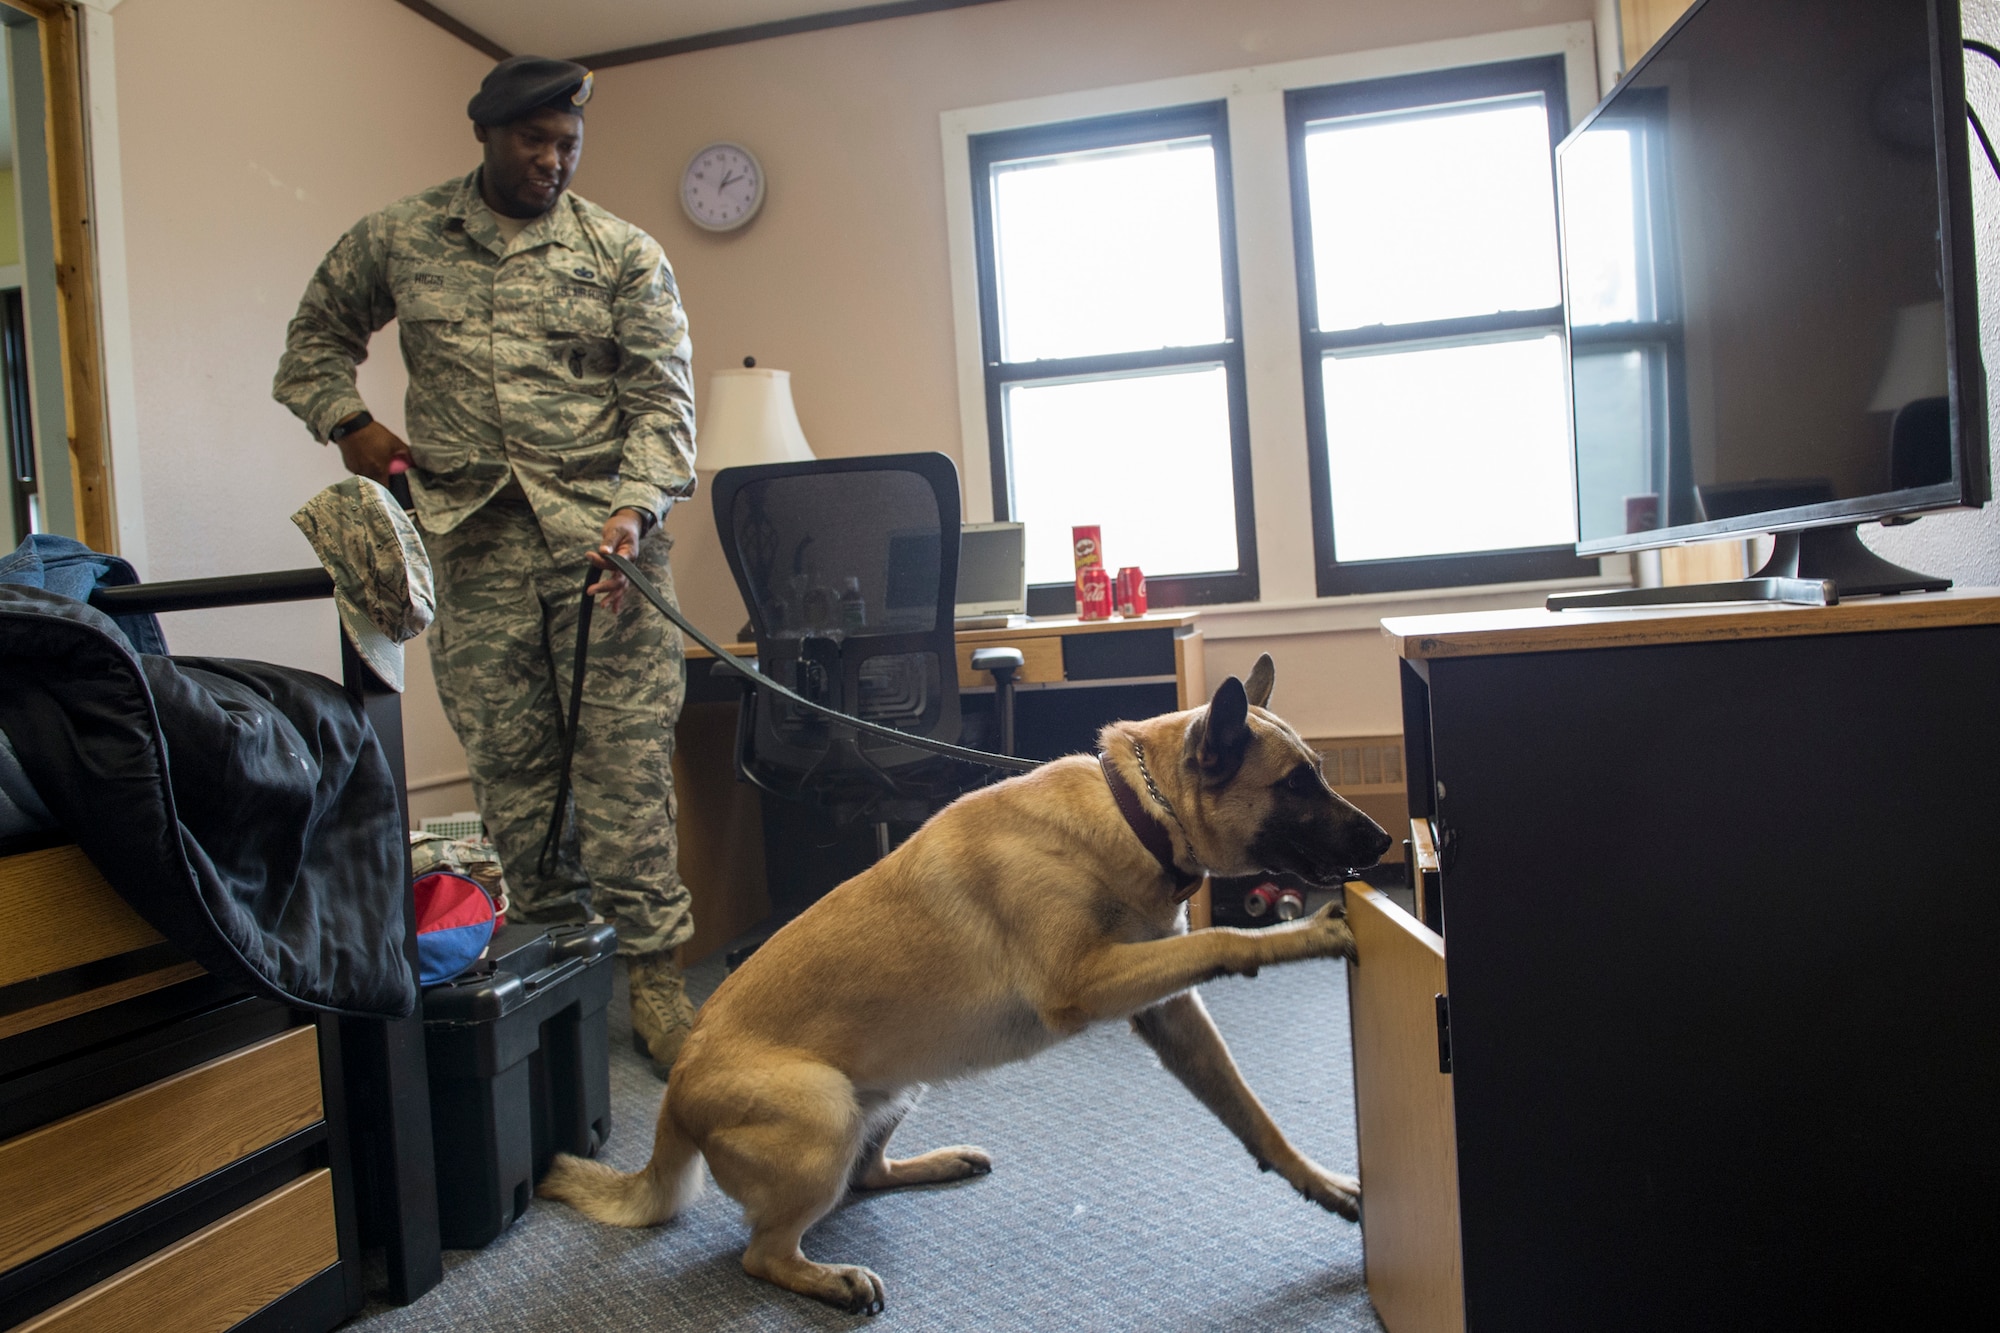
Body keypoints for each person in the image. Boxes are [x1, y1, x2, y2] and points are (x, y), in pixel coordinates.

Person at [274, 55, 700, 1077]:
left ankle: (655, 983)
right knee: (516, 783)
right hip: (473, 552)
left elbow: (664, 408)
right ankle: (559, 976)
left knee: (624, 777)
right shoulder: (402, 237)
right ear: (486, 131)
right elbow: (311, 346)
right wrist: (350, 426)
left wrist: (633, 512)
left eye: (568, 145)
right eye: (533, 141)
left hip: (608, 553)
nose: (552, 161)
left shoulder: (621, 253)